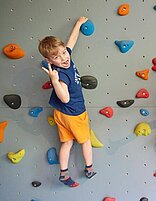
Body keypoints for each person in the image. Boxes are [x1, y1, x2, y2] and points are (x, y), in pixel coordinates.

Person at [38, 16, 96, 187]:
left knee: (67, 142)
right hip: (74, 113)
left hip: (61, 114)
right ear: (49, 61)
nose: (63, 58)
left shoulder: (66, 58)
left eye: (63, 52)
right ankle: (89, 168)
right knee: (85, 141)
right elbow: (65, 98)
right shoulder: (61, 74)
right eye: (57, 57)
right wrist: (54, 81)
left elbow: (71, 41)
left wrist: (78, 24)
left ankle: (63, 173)